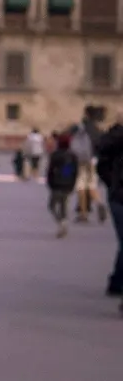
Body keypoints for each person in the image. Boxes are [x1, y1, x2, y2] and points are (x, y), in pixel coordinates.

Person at [95, 114, 123, 298]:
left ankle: (117, 281)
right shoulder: (116, 139)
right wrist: (113, 184)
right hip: (119, 197)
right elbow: (102, 161)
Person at [71, 107, 106, 223]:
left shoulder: (80, 127)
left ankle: (83, 214)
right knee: (92, 185)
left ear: (86, 114)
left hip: (81, 161)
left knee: (81, 186)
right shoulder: (97, 129)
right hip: (93, 161)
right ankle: (99, 203)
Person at [46, 133, 78, 238]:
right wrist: (72, 183)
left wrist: (50, 182)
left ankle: (60, 222)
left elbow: (50, 171)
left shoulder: (55, 155)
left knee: (52, 206)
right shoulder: (72, 156)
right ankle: (64, 222)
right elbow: (73, 172)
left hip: (56, 184)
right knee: (64, 205)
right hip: (67, 184)